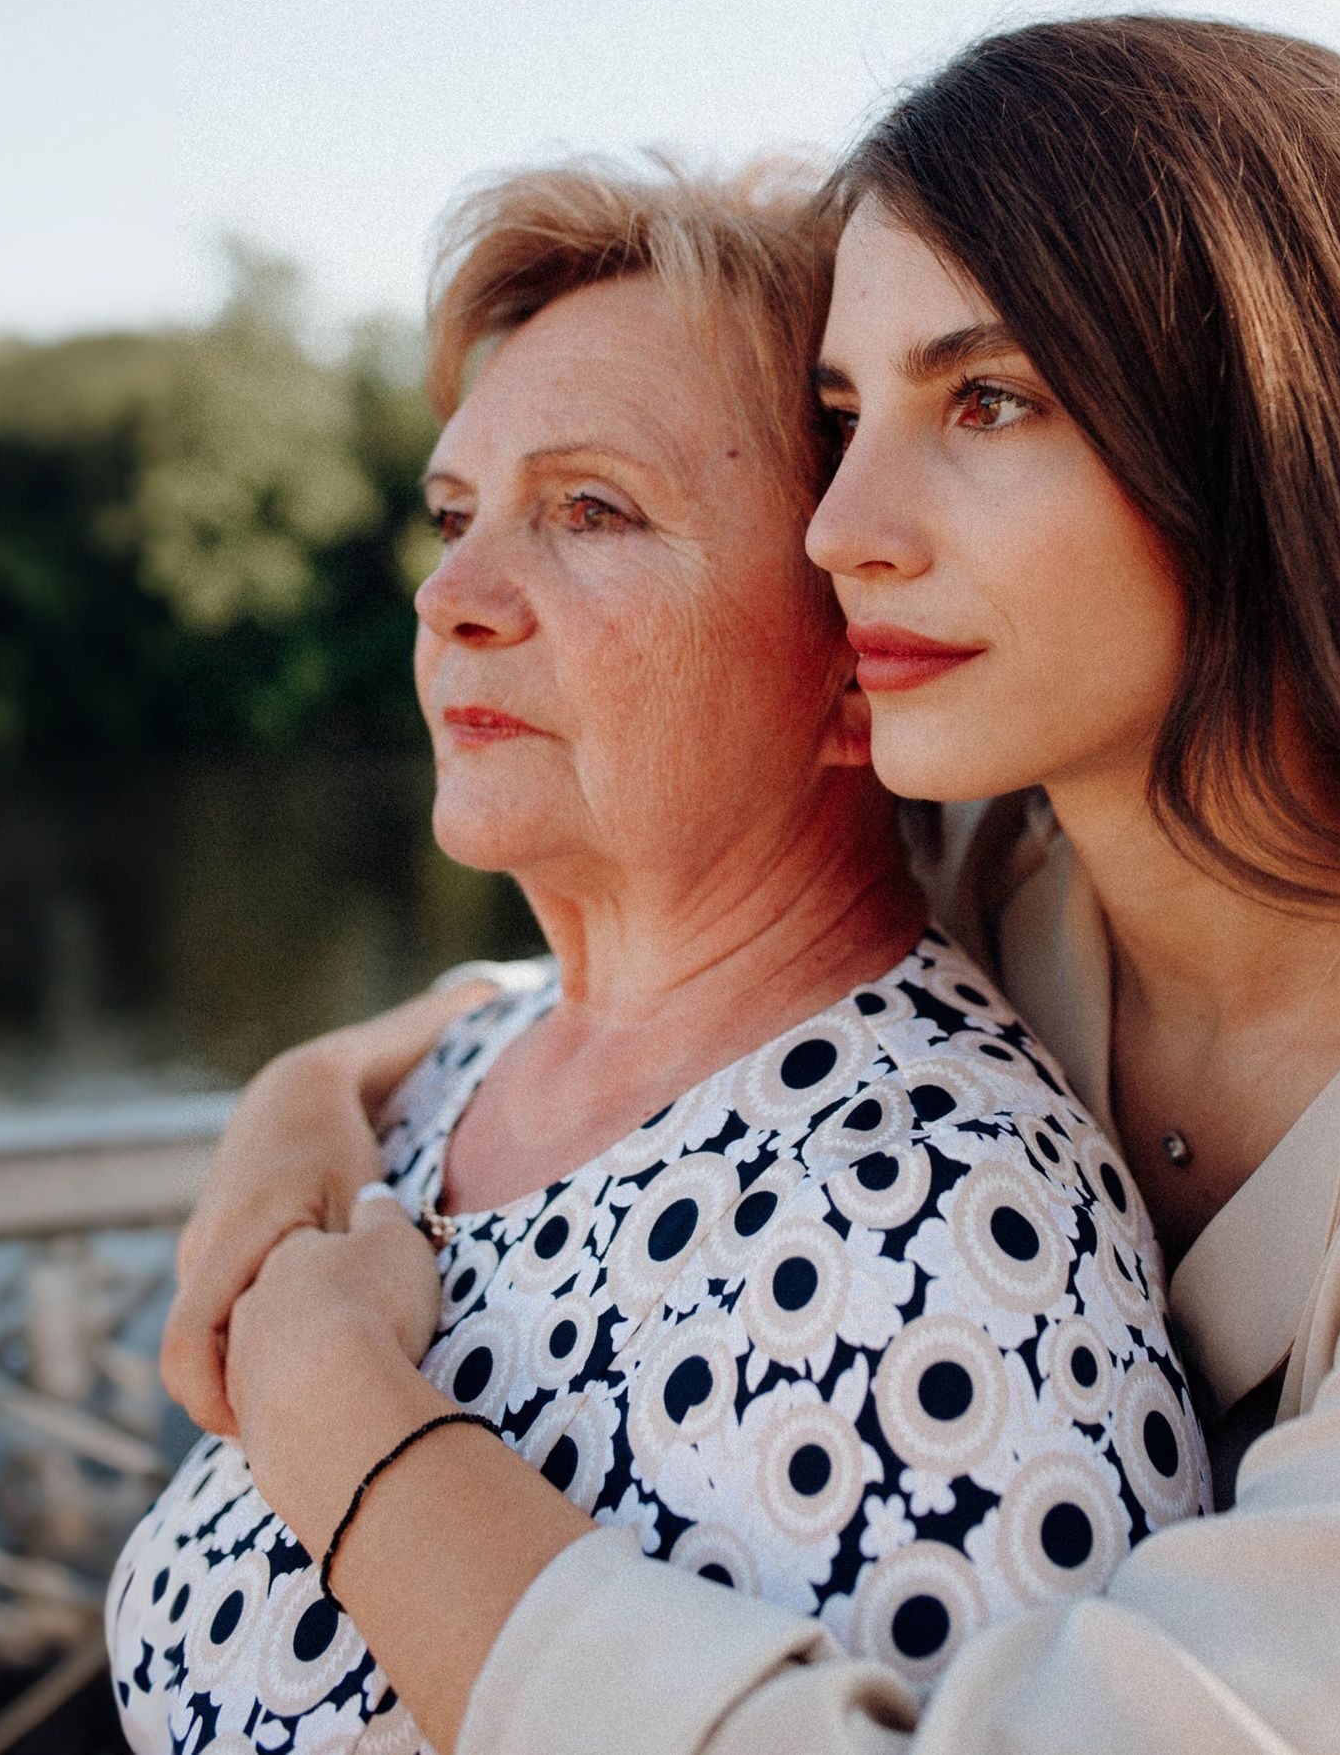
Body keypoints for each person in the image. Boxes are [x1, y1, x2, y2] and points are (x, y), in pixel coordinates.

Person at [161, 17, 1340, 1755]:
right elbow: (577, 997)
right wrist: (300, 1109)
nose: (836, 529)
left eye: (986, 403)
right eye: (840, 413)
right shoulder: (1024, 886)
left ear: (1298, 451)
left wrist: (350, 1436)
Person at [110, 161, 1208, 1755]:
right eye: (453, 515)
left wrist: (320, 1381)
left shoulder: (936, 1239)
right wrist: (302, 1081)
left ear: (859, 660)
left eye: (590, 512)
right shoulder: (478, 1060)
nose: (453, 596)